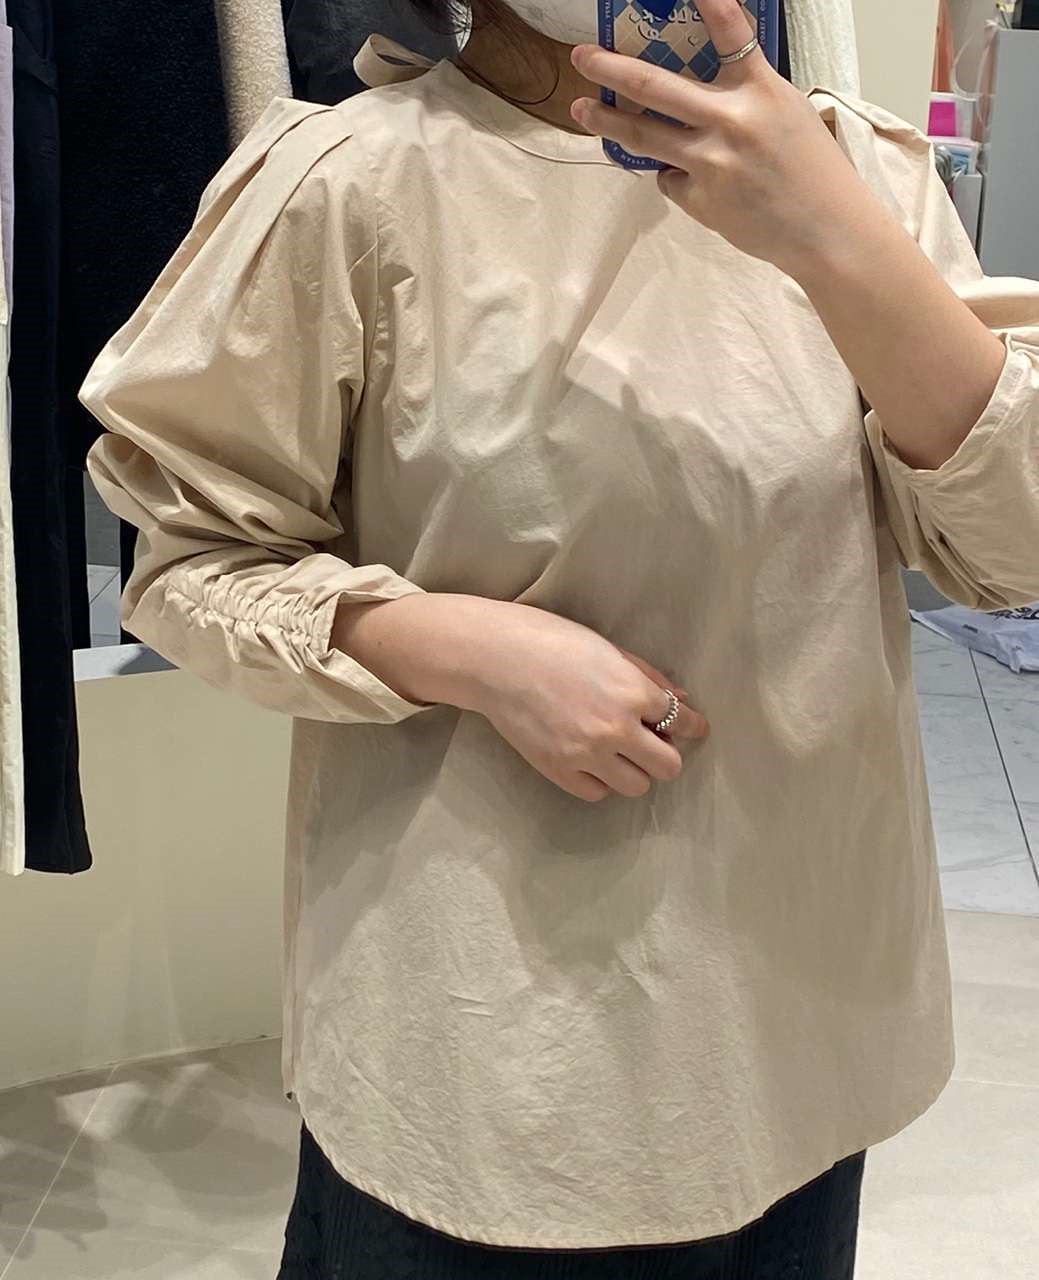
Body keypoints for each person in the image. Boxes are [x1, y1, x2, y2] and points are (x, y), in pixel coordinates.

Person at [80, 1, 1039, 1276]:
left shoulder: (856, 171)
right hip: (490, 1043)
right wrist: (448, 643)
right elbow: (190, 559)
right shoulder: (353, 184)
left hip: (803, 1011)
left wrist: (832, 234)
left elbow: (1013, 549)